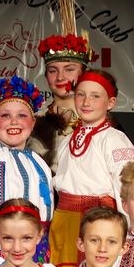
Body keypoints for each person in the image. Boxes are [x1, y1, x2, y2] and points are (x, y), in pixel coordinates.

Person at [50, 69, 134, 267]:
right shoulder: (67, 141)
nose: (86, 101)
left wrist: (127, 232)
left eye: (95, 96)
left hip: (98, 221)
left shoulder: (115, 139)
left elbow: (125, 188)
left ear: (110, 103)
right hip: (65, 221)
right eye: (81, 94)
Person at [0, 76, 54, 266]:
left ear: (33, 122)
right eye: (5, 115)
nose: (14, 122)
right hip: (1, 255)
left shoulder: (38, 162)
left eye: (22, 115)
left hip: (35, 252)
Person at [28, 32, 91, 172]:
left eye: (69, 69)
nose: (60, 77)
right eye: (53, 71)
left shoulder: (97, 118)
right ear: (46, 76)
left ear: (83, 73)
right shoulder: (34, 118)